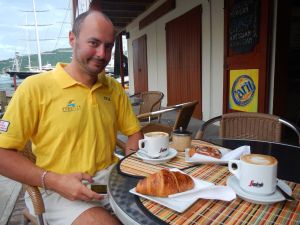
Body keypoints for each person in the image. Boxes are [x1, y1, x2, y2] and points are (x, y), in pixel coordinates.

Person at [0, 9, 142, 225]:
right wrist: (54, 181)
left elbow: (133, 133)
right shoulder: (35, 88)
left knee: (158, 208)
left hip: (107, 181)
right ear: (72, 39)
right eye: (94, 43)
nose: (102, 54)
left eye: (109, 46)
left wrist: (131, 166)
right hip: (55, 190)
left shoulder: (113, 88)